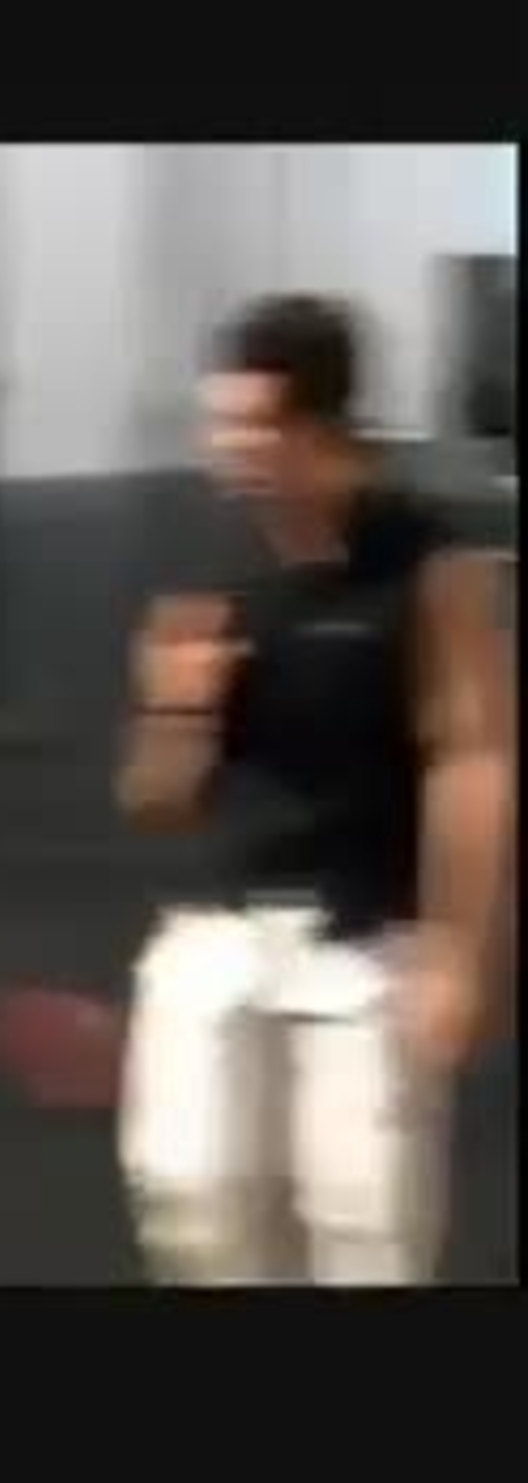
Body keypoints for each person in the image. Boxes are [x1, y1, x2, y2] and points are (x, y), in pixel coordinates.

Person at [114, 294, 514, 1286]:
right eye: (220, 424)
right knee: (189, 1197)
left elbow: (474, 760)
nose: (227, 450)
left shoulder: (429, 567)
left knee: (361, 1222)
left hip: (368, 949)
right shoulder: (208, 574)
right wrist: (175, 711)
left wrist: (460, 953)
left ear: (321, 429)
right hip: (217, 941)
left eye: (252, 427)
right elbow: (155, 801)